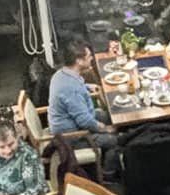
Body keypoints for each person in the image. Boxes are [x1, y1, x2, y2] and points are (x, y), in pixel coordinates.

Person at [46, 37, 118, 177]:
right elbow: (84, 121)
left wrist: (87, 86)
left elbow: (73, 92)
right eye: (89, 56)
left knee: (108, 115)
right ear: (79, 61)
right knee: (113, 140)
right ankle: (108, 174)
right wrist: (105, 129)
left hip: (75, 121)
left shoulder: (61, 74)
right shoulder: (71, 89)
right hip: (72, 137)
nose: (91, 58)